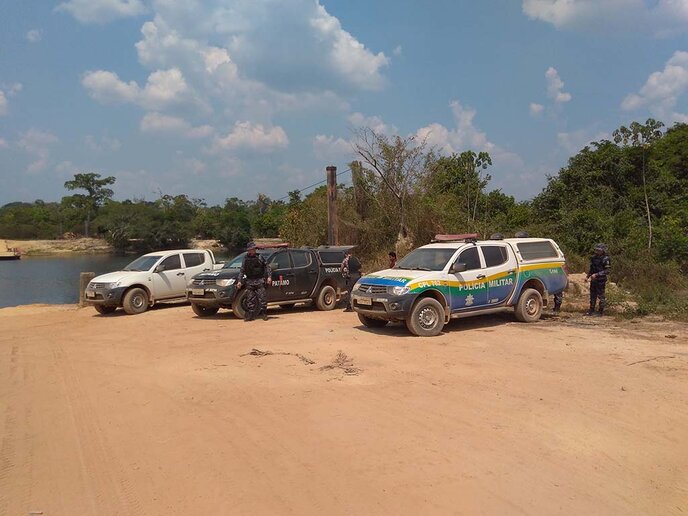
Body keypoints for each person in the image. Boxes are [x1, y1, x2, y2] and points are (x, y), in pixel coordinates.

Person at [236, 242, 272, 321]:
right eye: (251, 249)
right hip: (250, 281)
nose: (253, 250)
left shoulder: (260, 257)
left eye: (254, 249)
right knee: (250, 299)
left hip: (259, 280)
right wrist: (239, 281)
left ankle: (264, 314)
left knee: (262, 298)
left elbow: (267, 267)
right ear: (249, 250)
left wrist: (269, 277)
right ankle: (250, 315)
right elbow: (242, 270)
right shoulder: (245, 258)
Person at [585, 243, 611, 316]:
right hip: (593, 280)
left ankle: (600, 311)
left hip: (601, 280)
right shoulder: (594, 258)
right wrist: (587, 276)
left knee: (601, 296)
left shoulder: (606, 259)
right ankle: (591, 310)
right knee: (592, 295)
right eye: (597, 250)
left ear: (603, 250)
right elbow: (592, 269)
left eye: (599, 250)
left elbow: (607, 271)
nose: (597, 251)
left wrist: (597, 274)